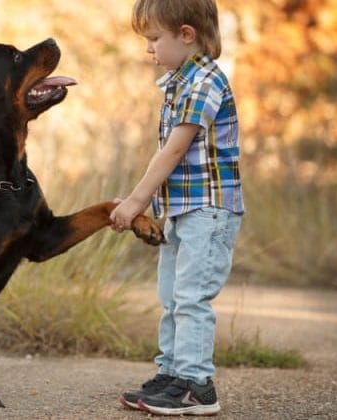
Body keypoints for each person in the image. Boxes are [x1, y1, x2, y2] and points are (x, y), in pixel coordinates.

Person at [109, 0, 244, 416]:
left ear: (186, 35)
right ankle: (172, 373)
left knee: (190, 298)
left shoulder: (204, 82)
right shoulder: (177, 82)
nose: (149, 49)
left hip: (208, 210)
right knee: (171, 296)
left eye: (154, 39)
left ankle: (197, 385)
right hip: (183, 210)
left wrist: (136, 200)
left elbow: (174, 150)